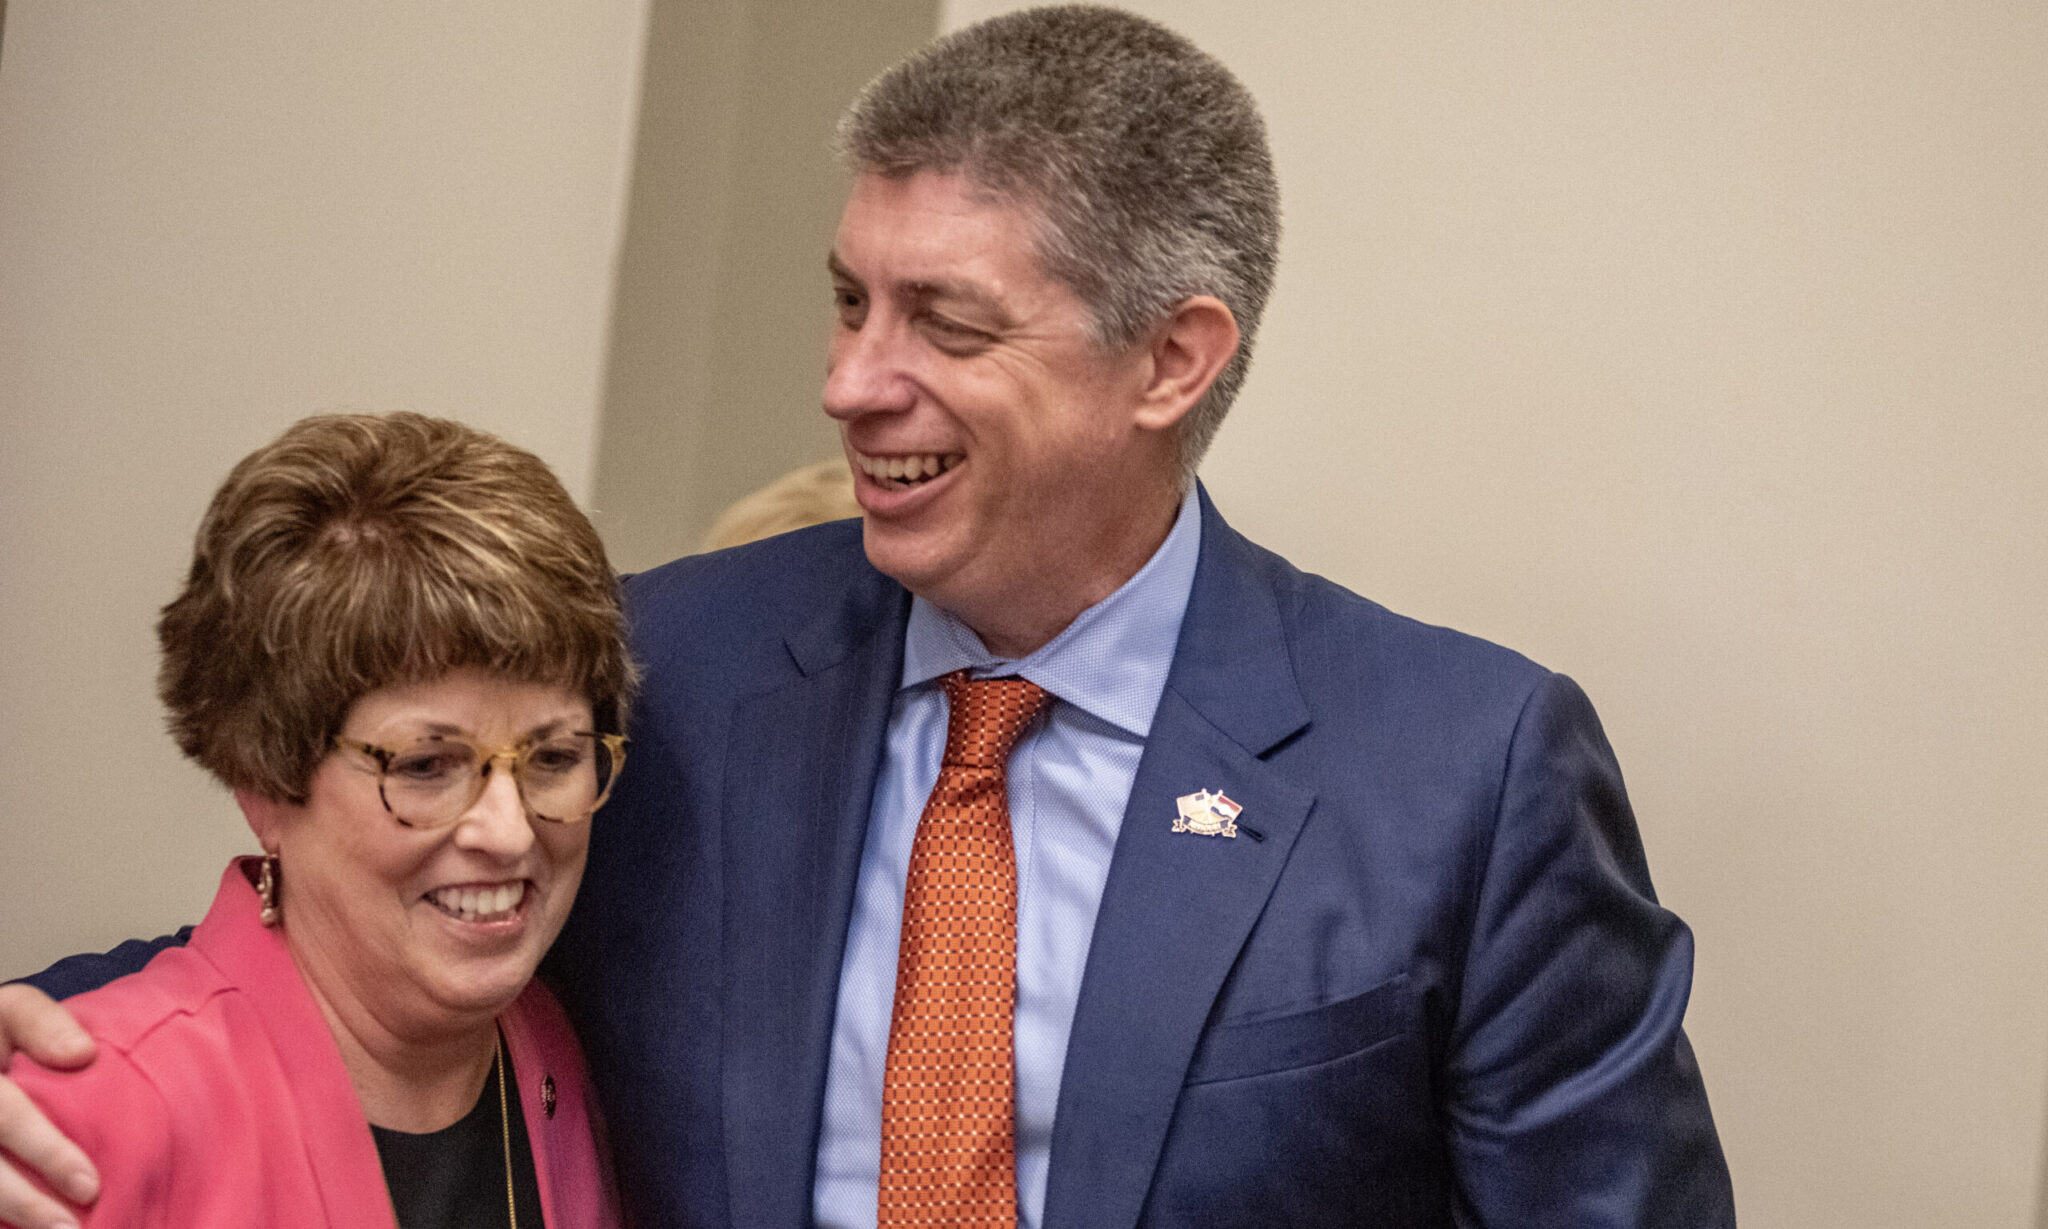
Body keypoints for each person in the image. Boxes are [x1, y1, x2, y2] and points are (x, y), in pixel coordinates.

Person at [0, 7, 1735, 1227]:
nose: (846, 381)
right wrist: (49, 1063)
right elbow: (348, 916)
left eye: (943, 324)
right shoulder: (663, 670)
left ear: (1170, 358)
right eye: (846, 300)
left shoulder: (1460, 768)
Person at [2, 413, 631, 1227]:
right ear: (262, 779)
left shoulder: (552, 1052)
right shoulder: (81, 1117)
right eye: (426, 766)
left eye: (552, 757)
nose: (508, 832)